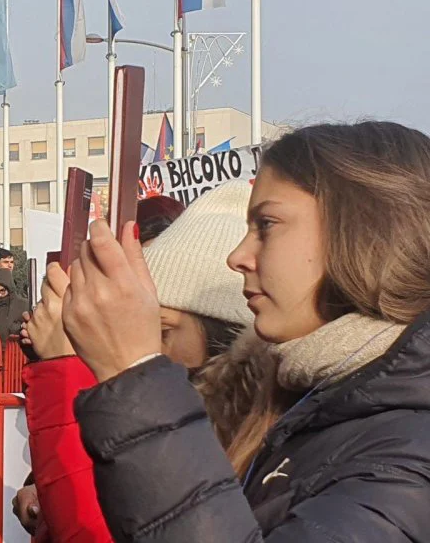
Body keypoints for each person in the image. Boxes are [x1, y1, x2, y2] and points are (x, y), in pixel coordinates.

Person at [61, 122, 430, 542]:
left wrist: (132, 373)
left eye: (267, 225)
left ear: (368, 233)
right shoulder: (313, 401)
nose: (237, 256)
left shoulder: (409, 455)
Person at [16, 181, 254, 541]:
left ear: (227, 337)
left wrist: (65, 367)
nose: (141, 343)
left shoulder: (257, 442)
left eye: (161, 331)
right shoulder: (183, 410)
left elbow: (94, 532)